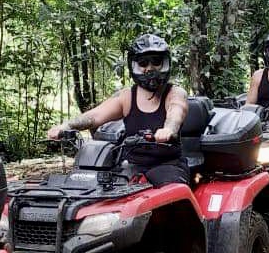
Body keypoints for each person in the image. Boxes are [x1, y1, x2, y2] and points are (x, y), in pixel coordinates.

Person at [46, 33, 190, 186]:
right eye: (143, 63)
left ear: (165, 63)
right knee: (100, 188)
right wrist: (66, 126)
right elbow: (94, 116)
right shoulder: (126, 97)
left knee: (170, 192)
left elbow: (176, 112)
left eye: (156, 62)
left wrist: (168, 129)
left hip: (168, 165)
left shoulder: (175, 92)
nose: (150, 68)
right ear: (134, 66)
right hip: (131, 165)